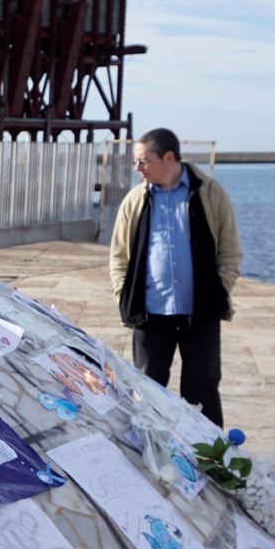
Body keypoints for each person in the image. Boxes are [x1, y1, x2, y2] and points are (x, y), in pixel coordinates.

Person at [109, 128, 242, 426]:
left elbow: (230, 251)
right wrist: (124, 296)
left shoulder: (209, 192)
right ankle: (149, 457)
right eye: (136, 162)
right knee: (147, 391)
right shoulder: (135, 200)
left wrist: (219, 288)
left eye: (143, 161)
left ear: (168, 158)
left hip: (200, 313)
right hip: (151, 314)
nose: (137, 168)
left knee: (202, 390)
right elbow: (119, 257)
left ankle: (209, 462)